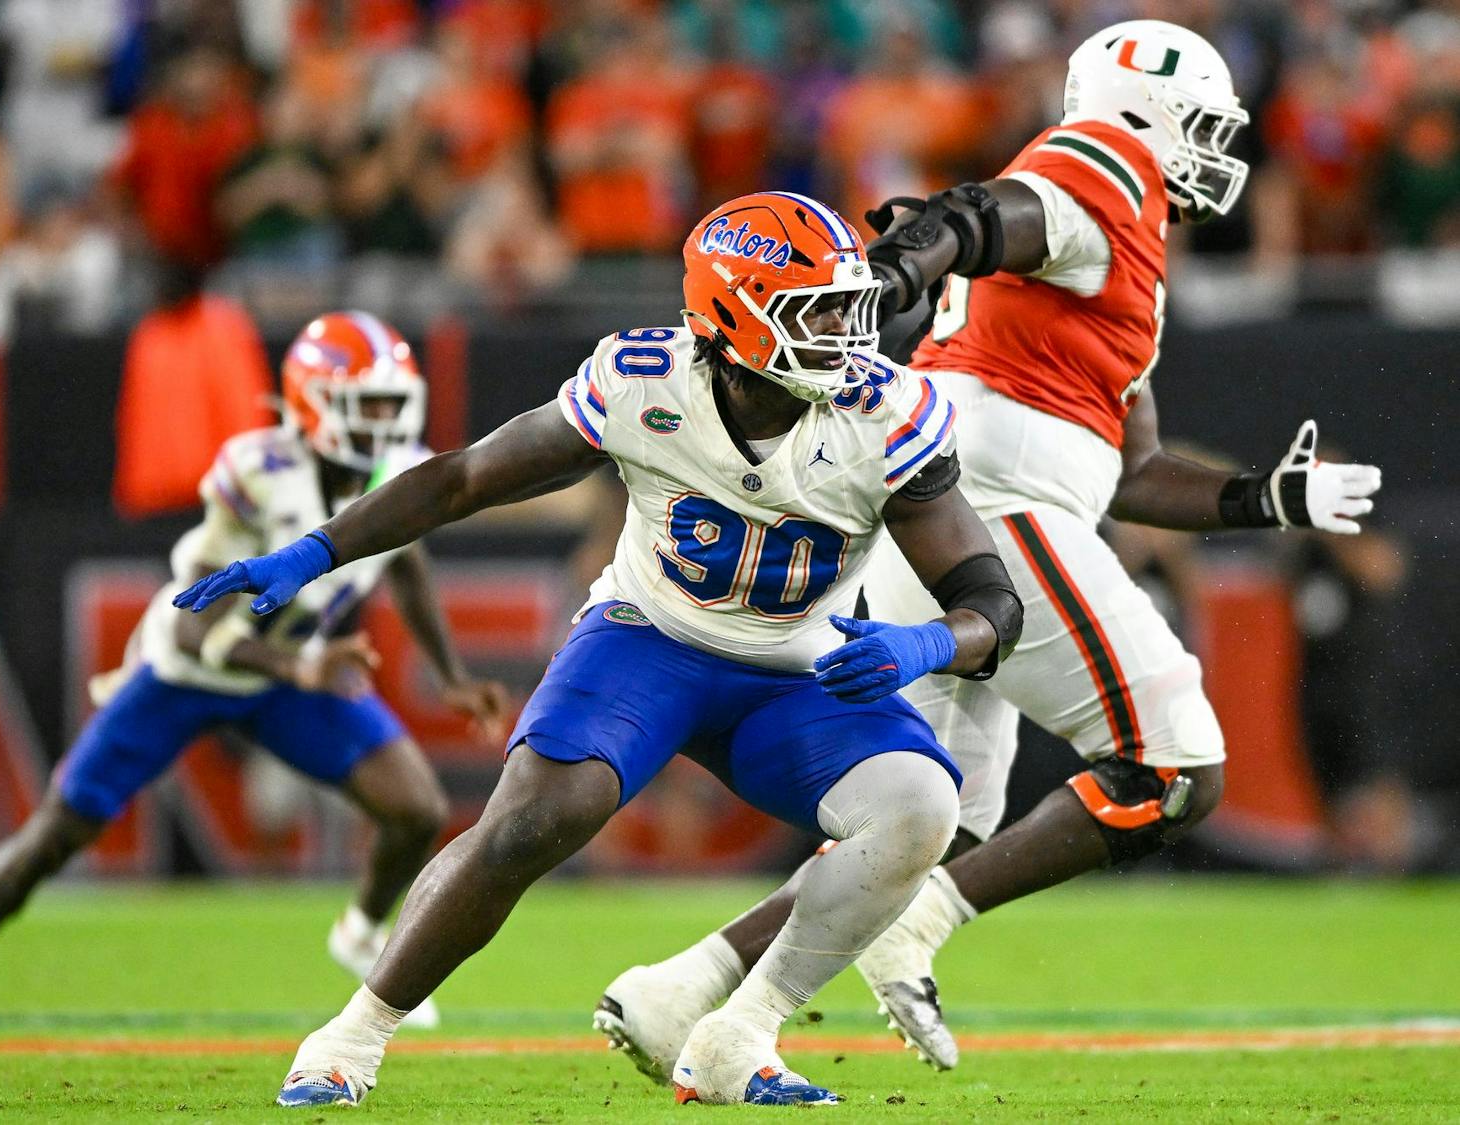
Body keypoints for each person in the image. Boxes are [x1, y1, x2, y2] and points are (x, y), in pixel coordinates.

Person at [592, 19, 1386, 1079]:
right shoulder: (1103, 167)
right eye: (1196, 122)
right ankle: (918, 929)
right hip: (1000, 506)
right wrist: (911, 254)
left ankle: (687, 994)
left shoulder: (1117, 261)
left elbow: (1136, 472)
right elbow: (989, 214)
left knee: (930, 827)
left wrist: (1268, 497)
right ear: (1141, 111)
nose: (1210, 149)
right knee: (1173, 767)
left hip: (956, 497)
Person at [174, 190, 1025, 1108]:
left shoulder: (888, 413)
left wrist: (931, 641)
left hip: (797, 666)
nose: (844, 332)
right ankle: (352, 1034)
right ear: (734, 312)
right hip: (648, 638)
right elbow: (465, 477)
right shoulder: (643, 380)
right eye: (813, 310)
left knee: (920, 803)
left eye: (845, 305)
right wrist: (317, 549)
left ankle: (740, 1034)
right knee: (533, 820)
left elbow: (990, 598)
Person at [0, 312, 509, 1031]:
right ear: (313, 401)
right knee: (53, 837)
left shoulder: (404, 474)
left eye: (390, 404)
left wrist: (450, 672)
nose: (382, 423)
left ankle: (362, 932)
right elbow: (193, 623)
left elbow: (405, 559)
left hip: (285, 677)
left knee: (415, 809)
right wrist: (301, 663)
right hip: (182, 673)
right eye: (364, 404)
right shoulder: (258, 471)